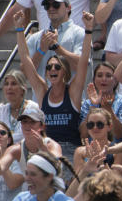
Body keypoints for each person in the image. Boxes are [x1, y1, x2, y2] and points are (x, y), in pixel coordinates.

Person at [15, 9, 93, 161]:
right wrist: (19, 29)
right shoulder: (43, 91)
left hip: (70, 151)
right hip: (47, 149)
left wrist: (89, 30)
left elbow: (83, 61)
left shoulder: (73, 92)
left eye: (57, 67)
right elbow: (25, 59)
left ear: (65, 72)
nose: (52, 69)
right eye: (49, 67)